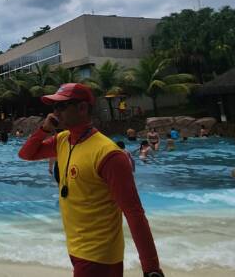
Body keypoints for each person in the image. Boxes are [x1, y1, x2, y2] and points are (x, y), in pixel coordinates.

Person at [18, 83, 162, 277]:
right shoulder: (63, 139)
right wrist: (44, 129)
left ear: (82, 108)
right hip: (76, 248)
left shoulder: (109, 154)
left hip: (100, 255)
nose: (55, 112)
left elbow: (134, 212)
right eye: (54, 107)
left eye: (61, 106)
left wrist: (151, 268)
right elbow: (26, 154)